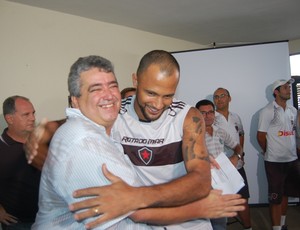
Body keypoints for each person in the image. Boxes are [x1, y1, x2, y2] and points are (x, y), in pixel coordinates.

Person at [26, 51, 245, 229]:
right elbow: (80, 122)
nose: (158, 104)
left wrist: (135, 197)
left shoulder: (188, 116)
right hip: (143, 220)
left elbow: (200, 182)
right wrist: (44, 131)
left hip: (187, 222)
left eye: (167, 95)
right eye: (151, 93)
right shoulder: (115, 113)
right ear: (136, 80)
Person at [257, 78, 300, 230]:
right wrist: (269, 151)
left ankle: (282, 224)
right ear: (276, 92)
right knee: (275, 198)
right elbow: (260, 137)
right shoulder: (268, 111)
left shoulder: (293, 110)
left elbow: (294, 133)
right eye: (285, 87)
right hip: (274, 162)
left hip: (292, 160)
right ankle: (276, 228)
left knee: (286, 193)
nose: (289, 89)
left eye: (289, 86)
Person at [195, 99, 244, 230]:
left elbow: (238, 147)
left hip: (221, 182)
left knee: (220, 222)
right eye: (203, 113)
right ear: (197, 114)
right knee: (203, 222)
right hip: (202, 182)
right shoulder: (193, 134)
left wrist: (236, 157)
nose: (207, 116)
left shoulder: (220, 131)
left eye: (210, 112)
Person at [213, 88, 252, 230]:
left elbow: (241, 134)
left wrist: (241, 154)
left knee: (242, 199)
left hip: (237, 166)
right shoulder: (212, 118)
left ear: (229, 98)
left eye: (222, 96)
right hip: (219, 167)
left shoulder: (236, 117)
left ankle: (248, 227)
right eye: (216, 97)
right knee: (220, 202)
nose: (219, 99)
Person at [0, 96, 41, 230]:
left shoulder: (42, 141)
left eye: (33, 113)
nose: (33, 118)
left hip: (47, 217)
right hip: (17, 223)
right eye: (26, 114)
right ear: (9, 119)